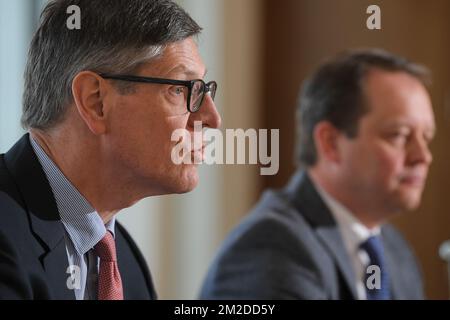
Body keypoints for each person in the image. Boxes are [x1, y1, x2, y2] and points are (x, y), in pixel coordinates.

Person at [0, 0, 221, 300]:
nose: (211, 118)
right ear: (96, 102)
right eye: (181, 89)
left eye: (204, 90)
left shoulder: (126, 264)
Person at [200, 49, 434, 300]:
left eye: (427, 138)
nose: (423, 156)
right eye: (398, 135)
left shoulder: (394, 249)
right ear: (330, 142)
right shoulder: (273, 245)